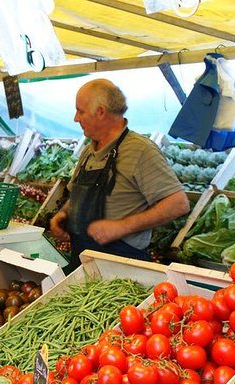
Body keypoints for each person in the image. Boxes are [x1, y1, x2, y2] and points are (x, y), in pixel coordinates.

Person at [50, 79, 190, 268]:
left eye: (80, 111)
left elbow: (178, 204)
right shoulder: (88, 151)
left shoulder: (140, 150)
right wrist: (64, 213)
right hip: (83, 260)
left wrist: (122, 227)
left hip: (123, 266)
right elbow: (77, 193)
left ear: (100, 112)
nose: (76, 118)